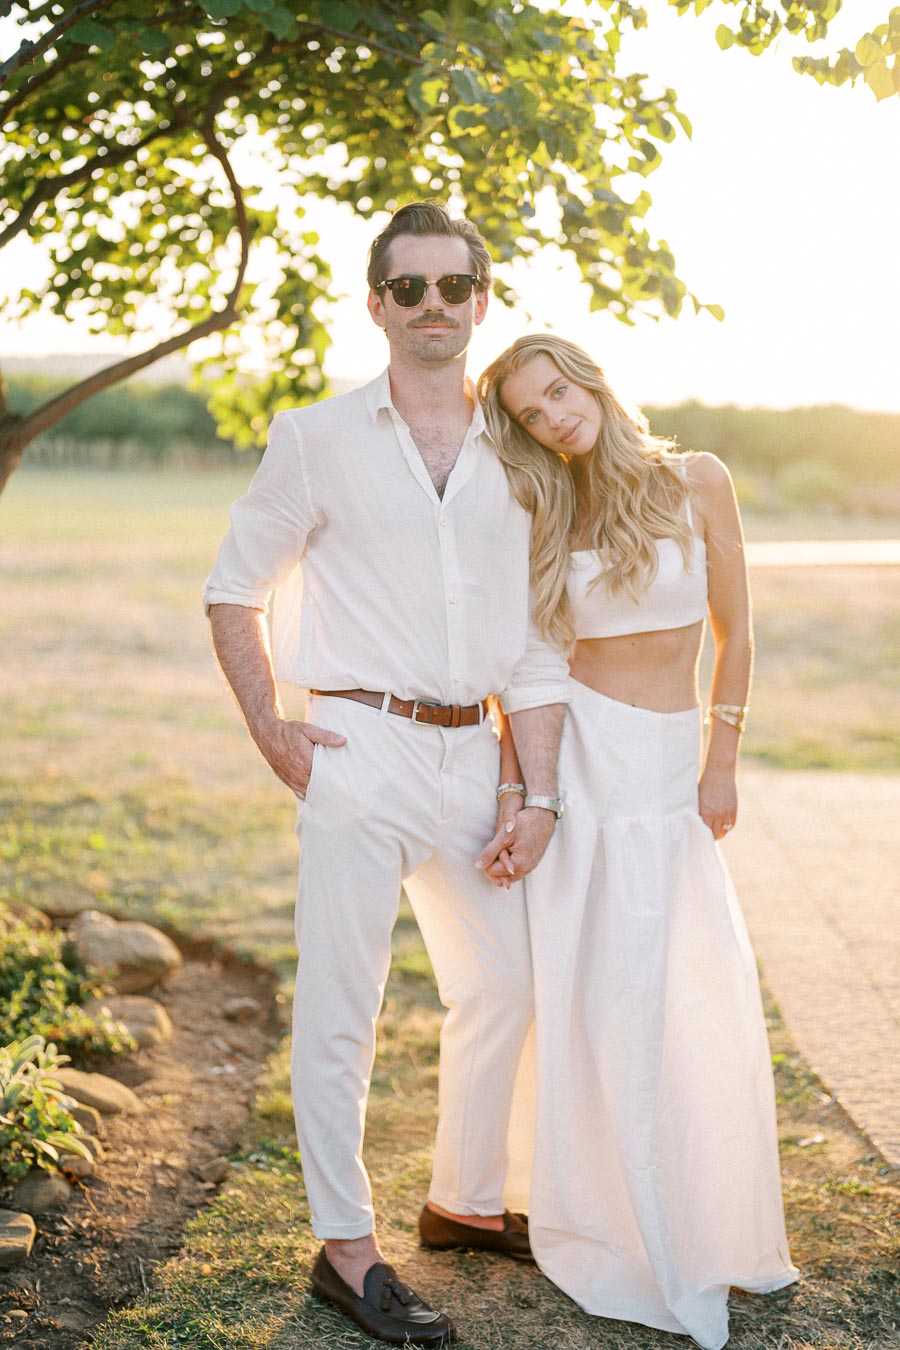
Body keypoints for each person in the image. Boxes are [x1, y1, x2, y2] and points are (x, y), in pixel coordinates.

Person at [203, 206, 569, 1346]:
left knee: (507, 984)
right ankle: (345, 1249)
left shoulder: (517, 451)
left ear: (481, 301)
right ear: (375, 304)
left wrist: (535, 789)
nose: (434, 308)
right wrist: (276, 729)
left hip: (481, 761)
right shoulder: (315, 437)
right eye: (409, 289)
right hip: (360, 749)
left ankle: (461, 1202)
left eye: (455, 287)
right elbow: (232, 589)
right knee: (343, 1010)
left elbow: (537, 638)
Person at [477, 334, 799, 1350]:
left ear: (593, 382)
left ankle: (702, 1210)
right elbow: (522, 662)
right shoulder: (543, 507)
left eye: (558, 392)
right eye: (530, 413)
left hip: (667, 769)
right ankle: (607, 1215)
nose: (553, 416)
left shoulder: (699, 480)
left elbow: (735, 631)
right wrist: (521, 789)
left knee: (683, 985)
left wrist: (722, 755)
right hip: (579, 763)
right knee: (594, 988)